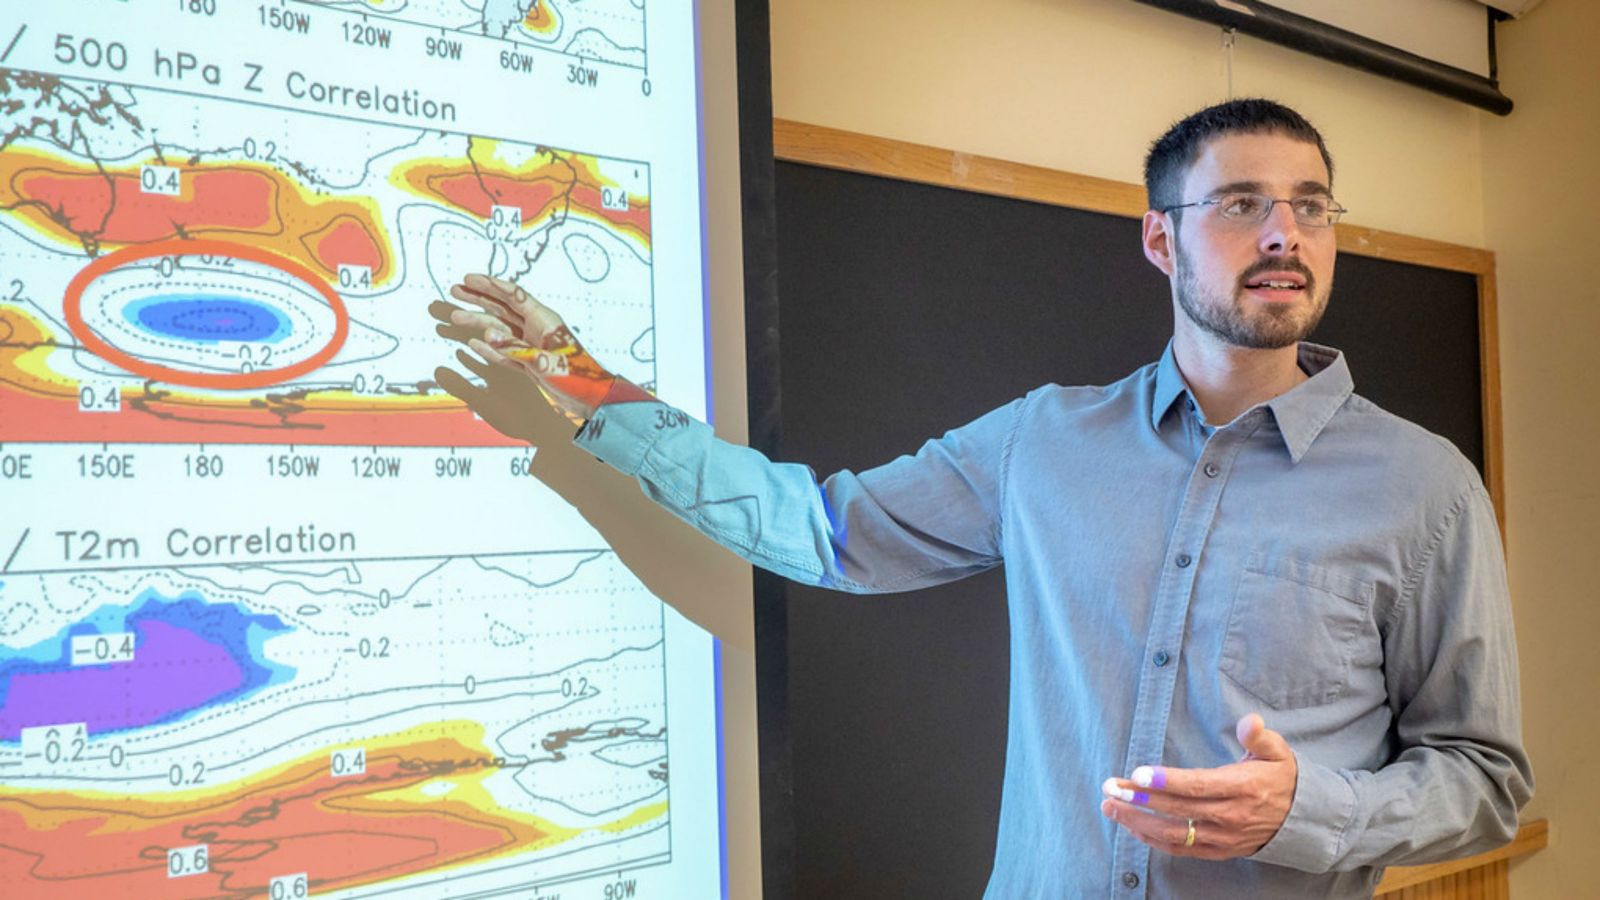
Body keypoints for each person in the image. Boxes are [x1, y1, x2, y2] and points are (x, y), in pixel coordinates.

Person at [440, 99, 1532, 898]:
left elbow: (1481, 781)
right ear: (1160, 239)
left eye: (1309, 206)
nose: (1284, 235)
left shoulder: (1424, 487)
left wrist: (1311, 811)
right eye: (1242, 204)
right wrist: (587, 387)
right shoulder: (1043, 441)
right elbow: (822, 529)